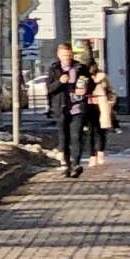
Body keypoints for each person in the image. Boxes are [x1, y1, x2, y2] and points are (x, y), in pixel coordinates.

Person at [46, 43, 92, 178]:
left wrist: (86, 88)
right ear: (59, 56)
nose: (67, 58)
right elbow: (49, 89)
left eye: (69, 55)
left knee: (76, 136)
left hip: (78, 107)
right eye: (65, 55)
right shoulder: (54, 69)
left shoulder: (80, 68)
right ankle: (67, 164)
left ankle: (76, 164)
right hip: (61, 108)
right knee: (64, 138)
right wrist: (60, 81)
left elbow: (90, 84)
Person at [88, 68, 117, 167]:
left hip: (102, 106)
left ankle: (100, 152)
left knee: (100, 131)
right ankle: (92, 155)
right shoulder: (83, 77)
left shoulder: (102, 77)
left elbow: (111, 91)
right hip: (88, 105)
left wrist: (110, 103)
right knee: (90, 131)